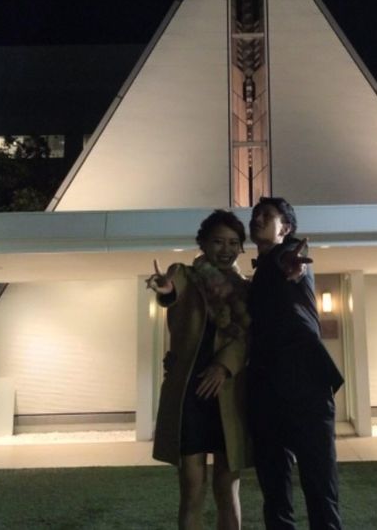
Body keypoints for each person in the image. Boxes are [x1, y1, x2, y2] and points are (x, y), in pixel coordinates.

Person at [146, 209, 251, 530]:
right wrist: (165, 290)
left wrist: (223, 366)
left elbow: (248, 337)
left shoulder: (246, 290)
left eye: (233, 242)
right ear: (203, 243)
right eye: (218, 241)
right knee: (192, 491)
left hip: (230, 396)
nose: (226, 249)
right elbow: (172, 288)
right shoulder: (185, 274)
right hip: (189, 396)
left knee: (227, 490)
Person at [247, 197, 344, 530]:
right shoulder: (256, 278)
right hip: (265, 389)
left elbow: (288, 259)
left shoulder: (289, 257)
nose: (257, 218)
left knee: (320, 485)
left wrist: (290, 261)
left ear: (285, 228)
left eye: (267, 215)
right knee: (274, 490)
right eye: (255, 214)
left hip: (307, 387)